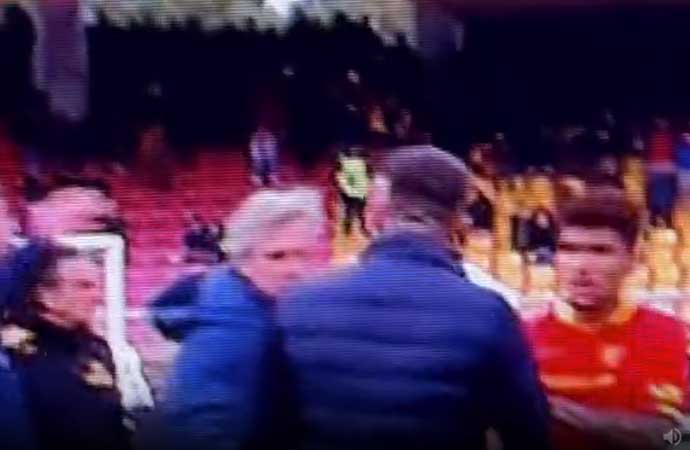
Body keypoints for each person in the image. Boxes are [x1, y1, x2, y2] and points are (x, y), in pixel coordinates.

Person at [279, 146, 551, 450]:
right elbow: (527, 432)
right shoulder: (488, 312)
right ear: (459, 220)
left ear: (375, 214)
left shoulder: (299, 302)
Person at [146, 188, 331, 450]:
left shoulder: (259, 308)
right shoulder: (231, 326)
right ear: (242, 259)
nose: (295, 270)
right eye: (277, 256)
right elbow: (202, 424)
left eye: (303, 255)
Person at [525, 187, 689, 450]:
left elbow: (673, 438)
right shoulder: (521, 338)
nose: (581, 266)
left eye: (600, 251)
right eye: (569, 250)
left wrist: (552, 408)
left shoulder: (671, 336)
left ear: (633, 259)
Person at [1, 244, 130, 450]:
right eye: (84, 286)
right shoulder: (11, 358)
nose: (98, 297)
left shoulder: (95, 350)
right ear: (44, 293)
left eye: (97, 286)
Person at [336, 147, 370, 237]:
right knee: (353, 210)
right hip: (351, 191)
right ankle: (350, 228)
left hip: (357, 190)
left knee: (357, 211)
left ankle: (358, 228)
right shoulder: (348, 164)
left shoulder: (358, 164)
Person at [676, 131, 690, 203]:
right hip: (683, 171)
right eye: (685, 136)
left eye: (688, 136)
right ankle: (684, 202)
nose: (687, 138)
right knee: (683, 189)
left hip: (684, 171)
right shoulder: (680, 147)